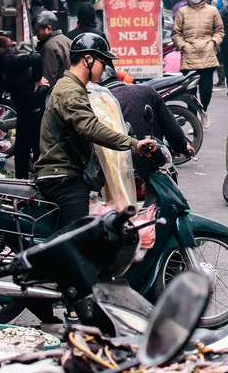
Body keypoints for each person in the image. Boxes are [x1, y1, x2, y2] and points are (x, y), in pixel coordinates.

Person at [35, 33, 157, 229]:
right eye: (103, 61)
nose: (106, 68)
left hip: (65, 173)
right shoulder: (71, 91)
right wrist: (133, 144)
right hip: (62, 177)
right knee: (78, 242)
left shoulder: (74, 87)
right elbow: (90, 128)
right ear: (88, 59)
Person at [0, 36, 44, 178]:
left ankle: (40, 177)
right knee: (22, 144)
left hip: (34, 102)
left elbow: (36, 57)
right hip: (22, 105)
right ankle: (21, 178)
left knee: (35, 142)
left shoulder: (9, 61)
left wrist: (37, 80)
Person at [104, 65, 193, 160]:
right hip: (151, 157)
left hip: (116, 162)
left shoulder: (98, 99)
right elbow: (170, 125)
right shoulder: (147, 91)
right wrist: (182, 147)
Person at [171, 0, 225, 110]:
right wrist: (183, 46)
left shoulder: (213, 11)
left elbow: (219, 31)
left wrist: (213, 43)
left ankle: (203, 110)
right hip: (189, 57)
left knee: (206, 91)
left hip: (207, 56)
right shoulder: (182, 12)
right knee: (190, 93)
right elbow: (176, 34)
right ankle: (194, 121)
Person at [35, 11, 72, 88]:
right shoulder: (68, 41)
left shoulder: (49, 47)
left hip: (57, 94)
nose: (36, 35)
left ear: (48, 28)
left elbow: (47, 80)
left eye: (37, 31)